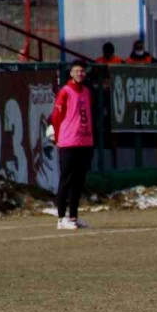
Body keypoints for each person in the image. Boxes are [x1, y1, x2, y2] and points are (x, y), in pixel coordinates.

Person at [50, 61, 95, 230]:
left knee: (79, 181)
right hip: (69, 142)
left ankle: (73, 217)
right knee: (66, 179)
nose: (80, 74)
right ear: (71, 73)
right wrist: (57, 135)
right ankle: (61, 218)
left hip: (85, 141)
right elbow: (56, 116)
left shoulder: (87, 92)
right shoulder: (65, 92)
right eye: (77, 71)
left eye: (82, 71)